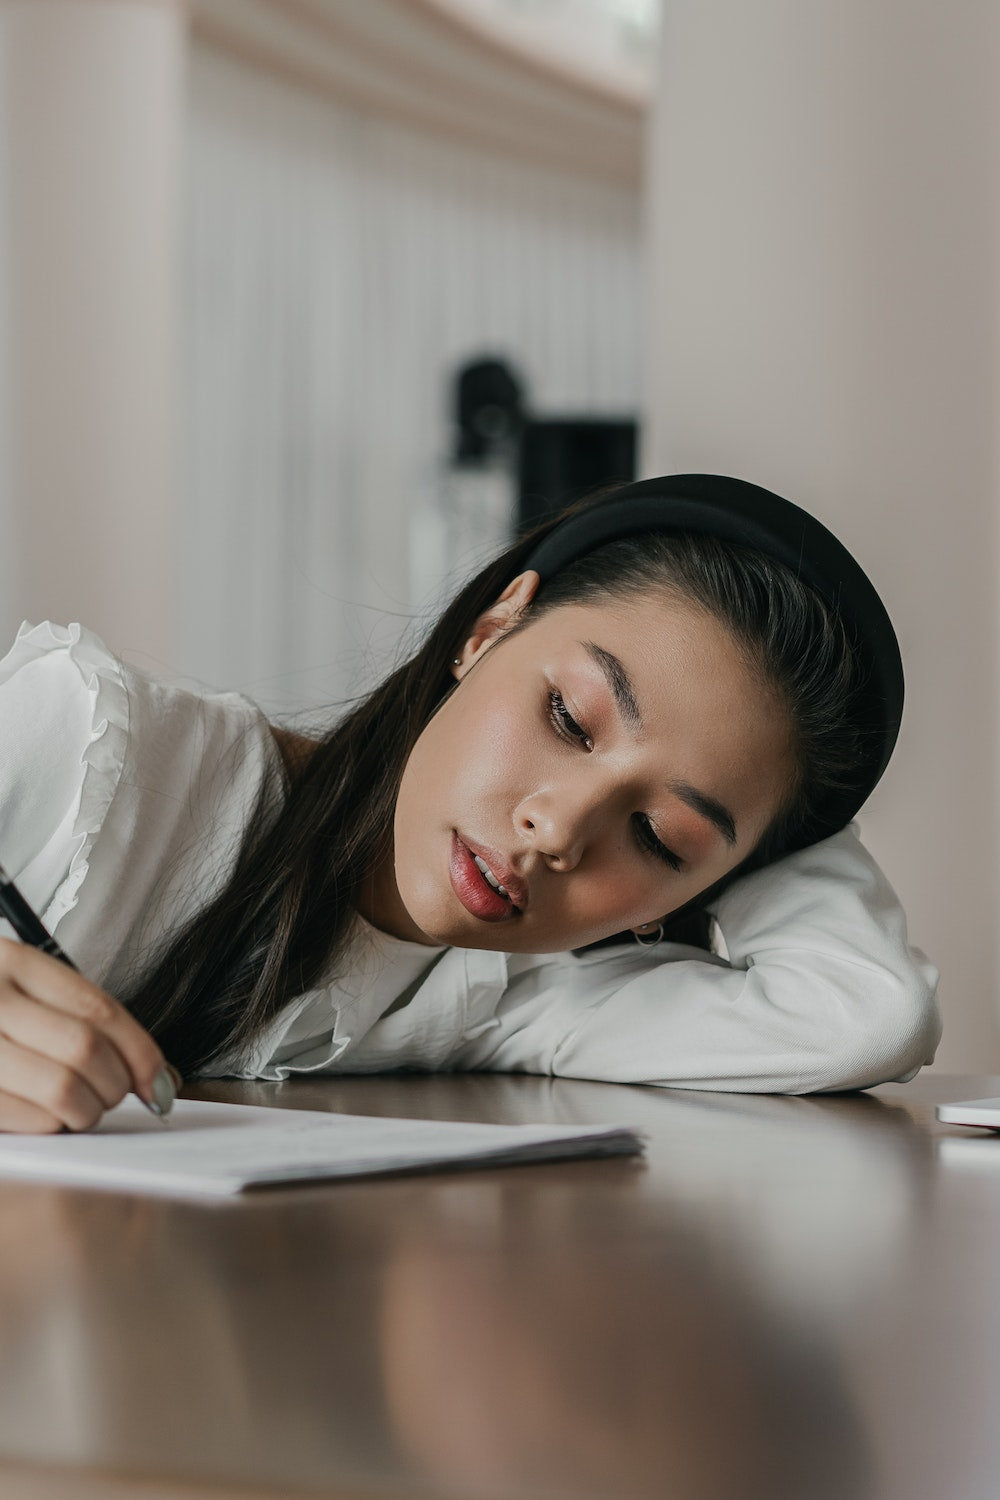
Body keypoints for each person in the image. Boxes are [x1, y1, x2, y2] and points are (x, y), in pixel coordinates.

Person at [0, 474, 940, 1133]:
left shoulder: (507, 1002)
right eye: (570, 719)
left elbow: (862, 1015)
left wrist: (778, 815)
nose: (558, 829)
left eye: (659, 837)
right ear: (490, 629)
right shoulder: (89, 745)